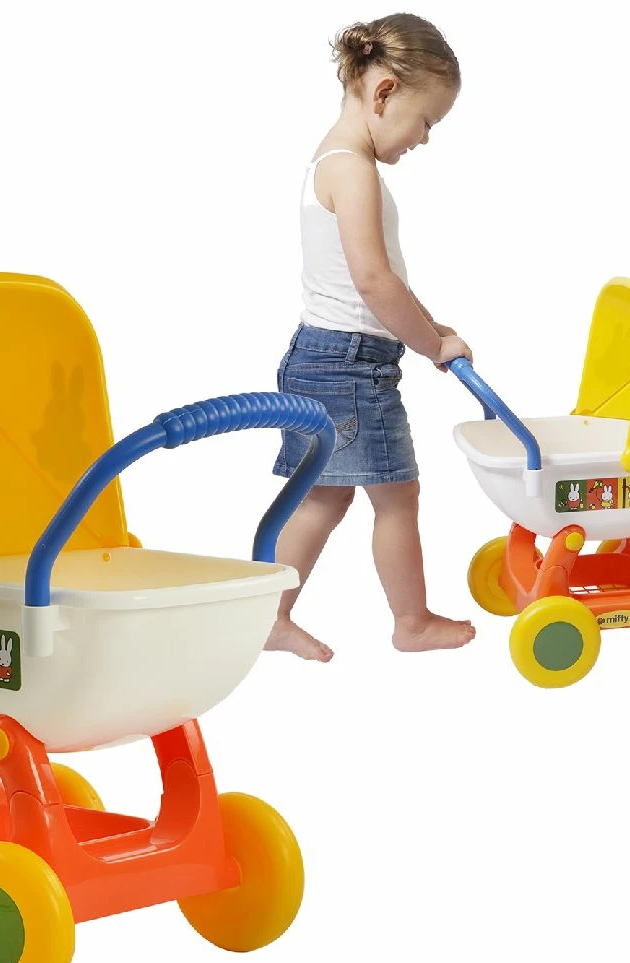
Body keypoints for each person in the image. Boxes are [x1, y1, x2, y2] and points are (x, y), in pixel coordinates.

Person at [267, 13, 476, 662]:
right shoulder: (353, 170)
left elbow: (378, 283)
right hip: (351, 366)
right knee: (396, 497)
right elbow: (374, 281)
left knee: (322, 499)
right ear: (384, 93)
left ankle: (267, 615)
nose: (425, 138)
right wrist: (432, 344)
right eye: (426, 121)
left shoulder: (332, 158)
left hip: (322, 356)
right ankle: (411, 622)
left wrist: (431, 326)